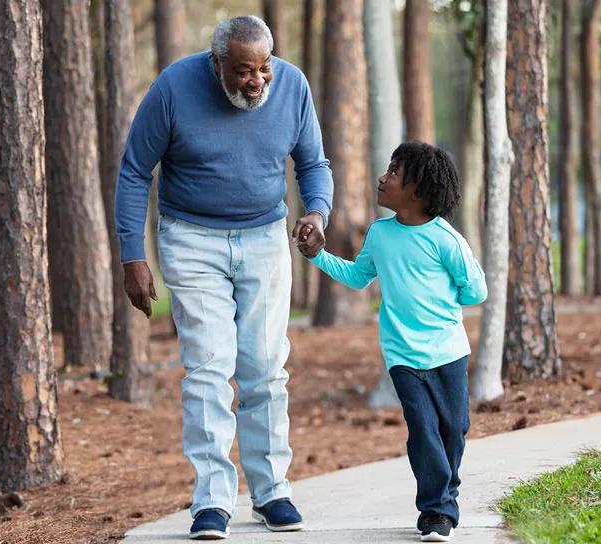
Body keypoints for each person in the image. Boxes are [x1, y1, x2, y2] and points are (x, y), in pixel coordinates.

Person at [114, 15, 333, 540]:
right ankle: (211, 500)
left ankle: (271, 490)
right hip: (191, 240)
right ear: (217, 65)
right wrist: (132, 256)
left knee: (264, 367)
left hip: (264, 239)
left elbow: (313, 163)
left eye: (264, 69)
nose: (255, 81)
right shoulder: (173, 88)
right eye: (242, 70)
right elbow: (133, 172)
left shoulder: (293, 86)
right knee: (209, 368)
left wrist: (317, 212)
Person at [297, 141, 487, 542]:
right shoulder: (381, 235)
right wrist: (317, 255)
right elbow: (357, 277)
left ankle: (444, 490)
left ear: (417, 190)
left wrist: (444, 303)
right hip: (402, 354)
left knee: (454, 428)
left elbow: (476, 291)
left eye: (394, 173)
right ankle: (437, 510)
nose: (383, 178)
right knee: (423, 429)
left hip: (449, 351)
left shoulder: (445, 239)